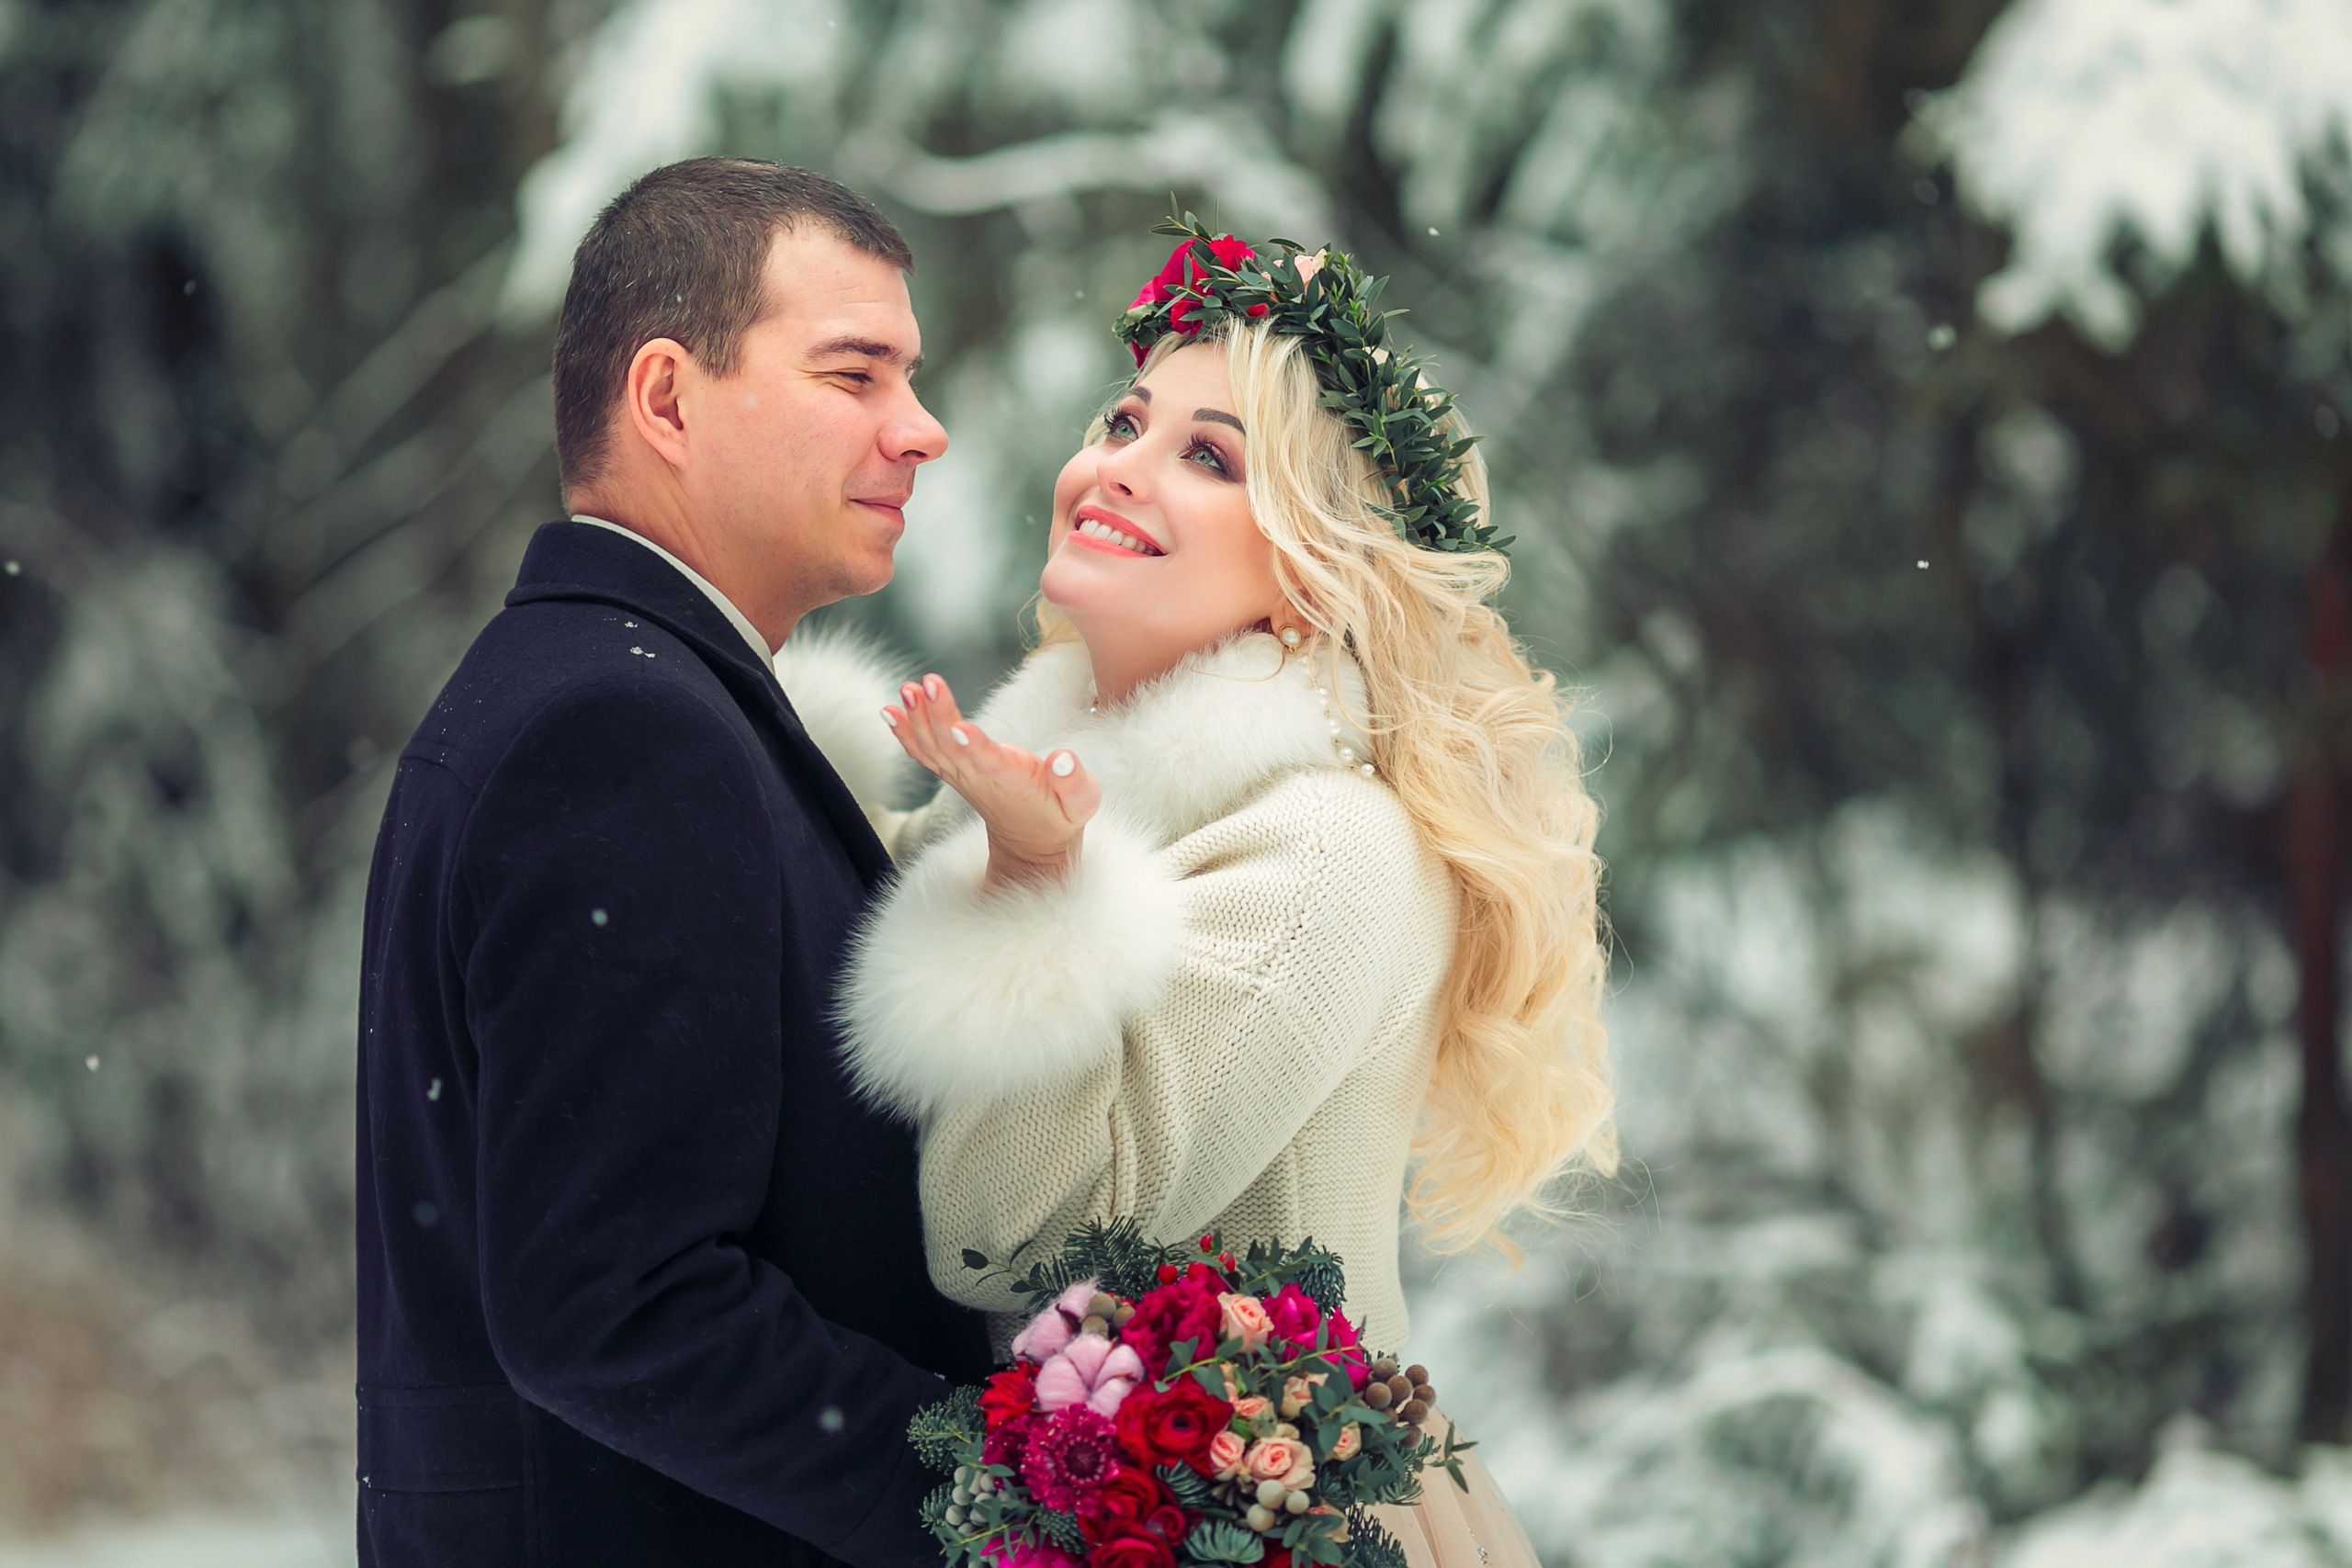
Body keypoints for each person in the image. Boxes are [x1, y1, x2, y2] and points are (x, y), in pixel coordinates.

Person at [787, 228, 1618, 1568]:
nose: (1120, 463)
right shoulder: (1035, 787)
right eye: (1126, 419)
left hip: (1265, 1524)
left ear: (1311, 566)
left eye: (1210, 455)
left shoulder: (1329, 853)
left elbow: (1012, 1239)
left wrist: (1037, 888)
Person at [353, 159, 993, 1568]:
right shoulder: (620, 728)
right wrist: (1005, 1503)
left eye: (913, 376)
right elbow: (615, 1306)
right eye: (857, 374)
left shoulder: (594, 688)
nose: (923, 430)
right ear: (664, 398)